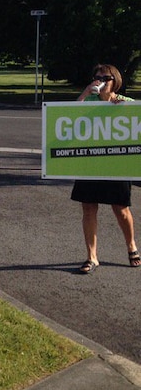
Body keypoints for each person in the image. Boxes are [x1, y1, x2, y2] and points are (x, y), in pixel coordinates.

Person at [71, 64, 139, 274]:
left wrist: (126, 111)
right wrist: (85, 92)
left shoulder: (126, 102)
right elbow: (68, 115)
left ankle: (131, 246)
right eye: (96, 77)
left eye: (105, 78)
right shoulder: (87, 101)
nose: (100, 81)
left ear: (115, 81)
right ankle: (92, 256)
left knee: (121, 209)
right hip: (90, 162)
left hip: (116, 163)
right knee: (89, 207)